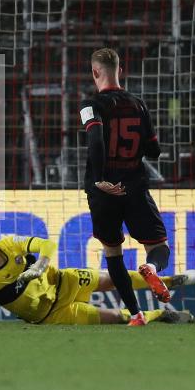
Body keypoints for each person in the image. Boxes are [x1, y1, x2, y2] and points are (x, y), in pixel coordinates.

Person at [78, 47, 171, 326]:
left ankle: (136, 314)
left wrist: (100, 179)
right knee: (159, 246)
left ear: (95, 72)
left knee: (112, 251)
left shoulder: (90, 105)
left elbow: (96, 141)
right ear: (120, 69)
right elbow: (154, 151)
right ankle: (151, 268)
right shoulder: (139, 104)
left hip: (103, 191)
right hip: (134, 186)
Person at [0, 230, 195, 325]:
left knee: (115, 278)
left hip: (65, 280)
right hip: (55, 314)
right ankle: (162, 314)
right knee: (119, 318)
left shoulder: (11, 244)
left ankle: (170, 281)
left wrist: (40, 265)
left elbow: (47, 244)